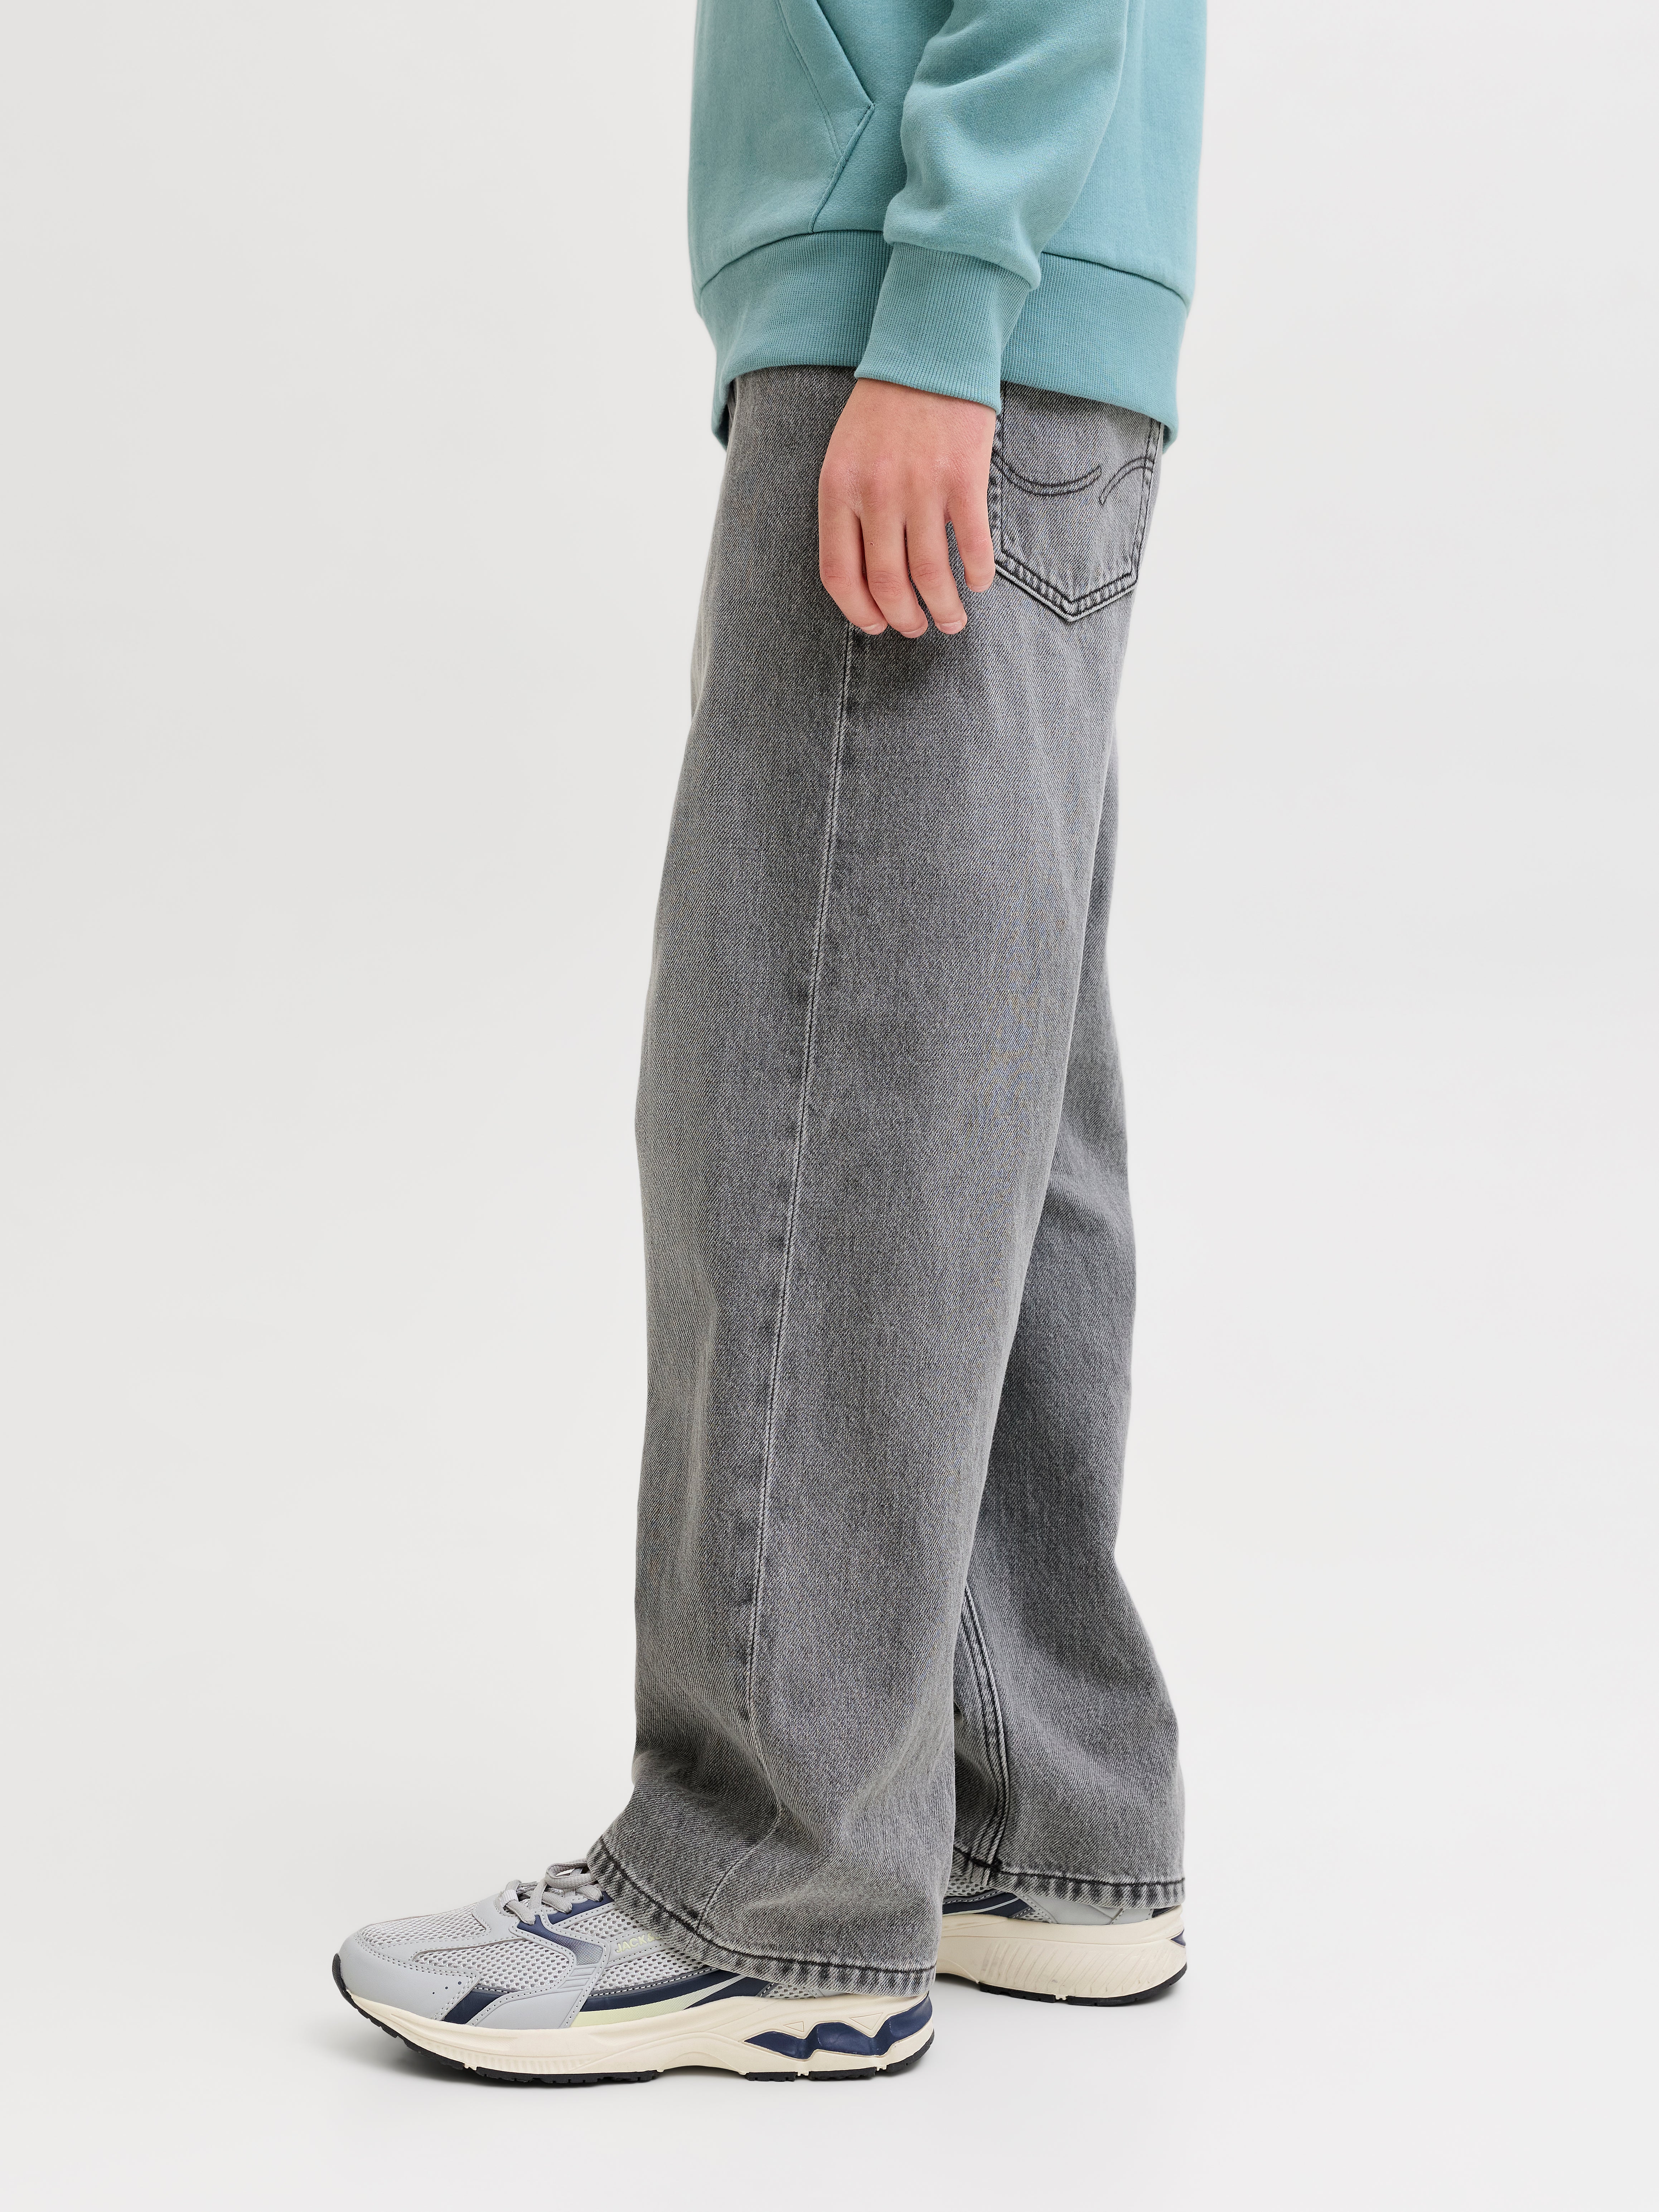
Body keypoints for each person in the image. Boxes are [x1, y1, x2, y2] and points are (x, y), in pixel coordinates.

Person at [333, 0, 1205, 2083]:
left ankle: (771, 1878)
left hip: (937, 295)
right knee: (982, 1097)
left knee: (811, 1089)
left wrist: (944, 293)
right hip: (1011, 298)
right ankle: (1031, 1807)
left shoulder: (942, 296)